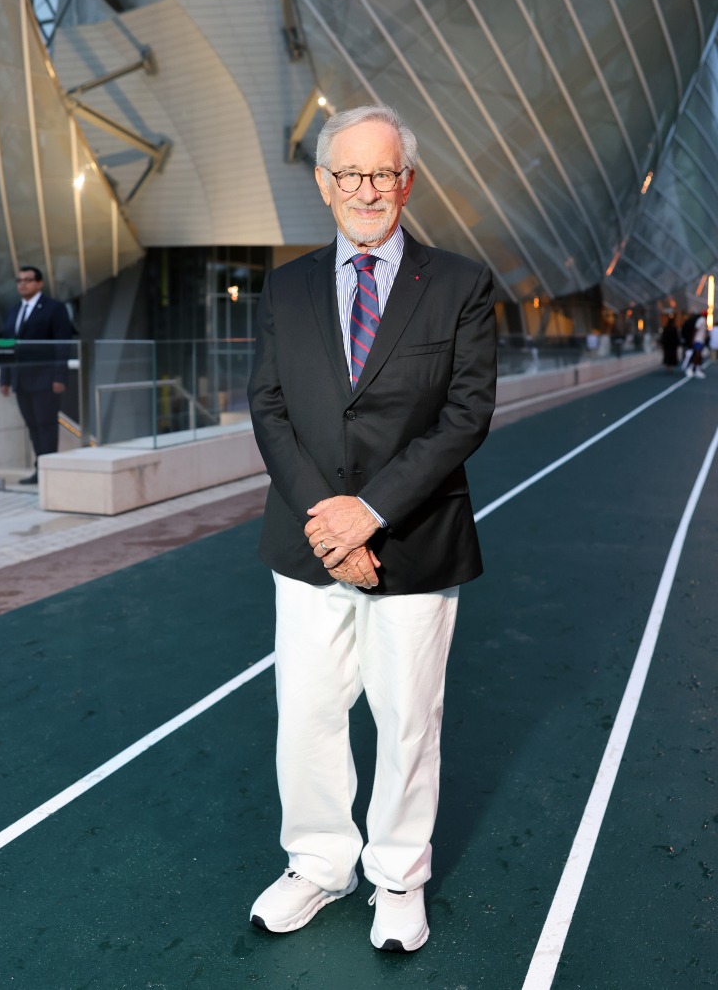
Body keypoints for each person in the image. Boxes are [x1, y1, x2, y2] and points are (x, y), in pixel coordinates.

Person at [246, 104, 497, 953]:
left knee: (405, 716)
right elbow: (269, 407)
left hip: (414, 544)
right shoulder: (284, 286)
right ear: (324, 184)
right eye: (348, 174)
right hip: (309, 543)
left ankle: (398, 875)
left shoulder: (461, 285)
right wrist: (332, 524)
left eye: (383, 173)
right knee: (308, 713)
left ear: (408, 182)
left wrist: (371, 513)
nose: (366, 189)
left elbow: (465, 416)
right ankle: (319, 864)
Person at [0, 266, 73, 484]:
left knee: (46, 424)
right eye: (19, 280)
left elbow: (62, 345)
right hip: (21, 380)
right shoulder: (13, 311)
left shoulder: (54, 309)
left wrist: (60, 376)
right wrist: (5, 379)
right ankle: (40, 468)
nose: (23, 284)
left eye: (28, 280)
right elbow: (6, 346)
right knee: (32, 425)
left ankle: (50, 470)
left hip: (46, 379)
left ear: (39, 283)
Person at [685, 312, 708, 378]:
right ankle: (690, 368)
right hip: (697, 340)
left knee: (699, 355)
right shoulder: (701, 320)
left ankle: (697, 369)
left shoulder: (703, 320)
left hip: (700, 340)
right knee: (697, 354)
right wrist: (693, 339)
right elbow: (696, 329)